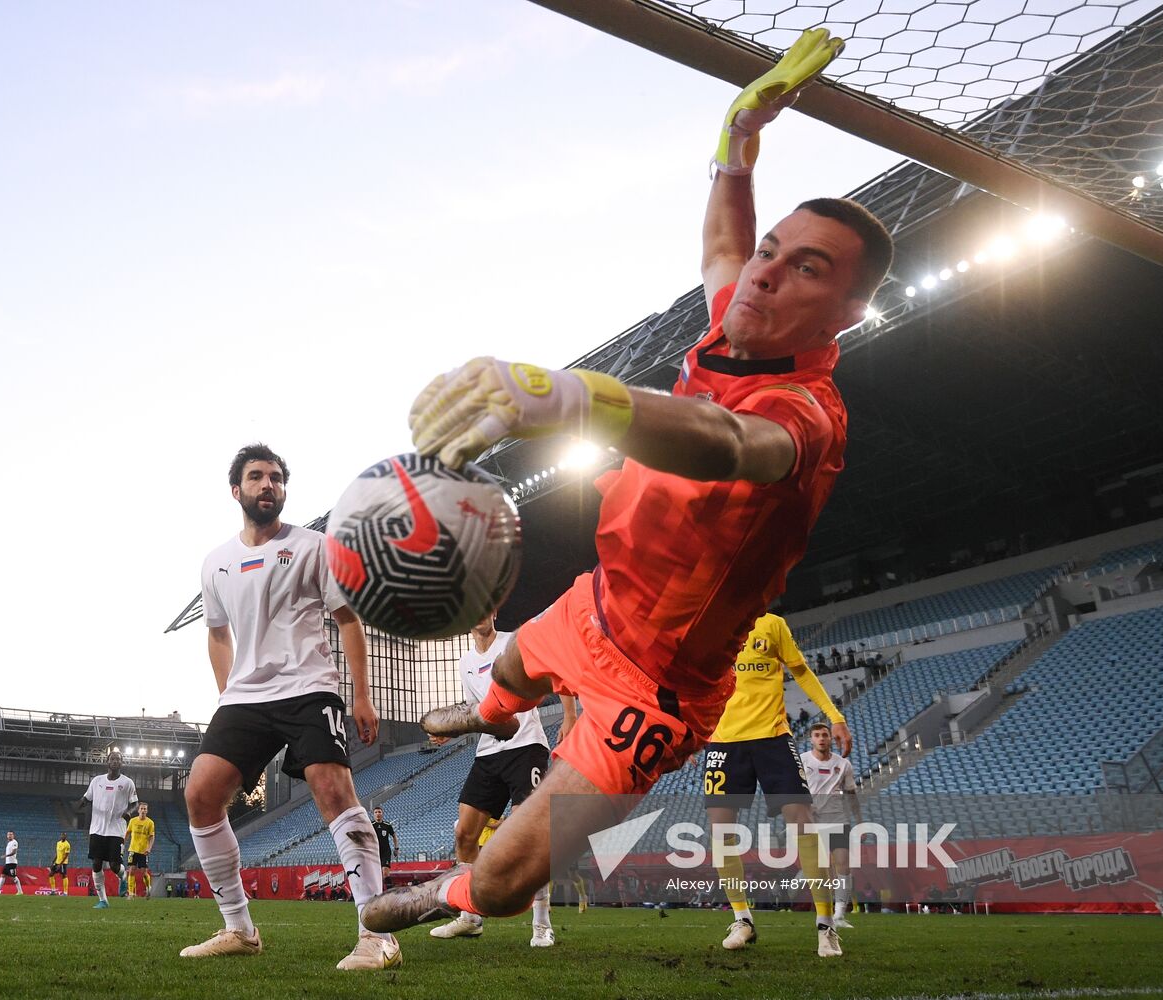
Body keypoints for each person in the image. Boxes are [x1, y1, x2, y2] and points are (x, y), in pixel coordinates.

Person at [360, 29, 890, 944]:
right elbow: (725, 244)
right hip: (595, 602)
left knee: (502, 884)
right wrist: (736, 138)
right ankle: (483, 710)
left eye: (808, 267)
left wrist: (570, 396)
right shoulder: (735, 320)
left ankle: (443, 893)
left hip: (657, 693)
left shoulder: (807, 415)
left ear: (847, 312)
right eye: (774, 249)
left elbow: (726, 443)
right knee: (517, 669)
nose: (765, 269)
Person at [180, 443, 398, 970]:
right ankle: (239, 928)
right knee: (201, 796)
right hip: (246, 698)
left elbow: (348, 619)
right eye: (256, 477)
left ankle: (377, 934)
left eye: (276, 477)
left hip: (308, 687)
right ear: (237, 491)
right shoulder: (216, 563)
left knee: (332, 789)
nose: (268, 485)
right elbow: (216, 634)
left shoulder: (315, 546)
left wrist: (361, 696)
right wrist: (226, 691)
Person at [704, 613, 852, 956]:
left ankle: (826, 926)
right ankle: (743, 920)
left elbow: (800, 671)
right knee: (719, 829)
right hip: (724, 741)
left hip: (772, 738)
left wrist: (835, 716)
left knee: (802, 820)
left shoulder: (772, 624)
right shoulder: (710, 625)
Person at [426, 612, 571, 947]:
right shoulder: (464, 663)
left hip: (526, 746)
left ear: (493, 612)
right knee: (464, 833)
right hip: (489, 752)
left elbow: (555, 670)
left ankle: (542, 924)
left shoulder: (513, 643)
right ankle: (470, 917)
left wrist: (570, 715)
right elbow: (478, 712)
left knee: (527, 834)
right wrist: (451, 730)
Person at [801, 722, 861, 929]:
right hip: (812, 821)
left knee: (843, 864)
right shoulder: (802, 761)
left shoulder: (843, 764)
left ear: (830, 738)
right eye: (817, 735)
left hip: (837, 819)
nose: (821, 738)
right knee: (822, 868)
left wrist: (860, 821)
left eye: (825, 735)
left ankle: (840, 915)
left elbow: (852, 794)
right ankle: (824, 913)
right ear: (811, 739)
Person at [83, 749, 138, 909]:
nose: (115, 761)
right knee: (96, 863)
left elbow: (134, 803)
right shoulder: (97, 781)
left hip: (117, 830)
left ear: (122, 763)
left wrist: (128, 813)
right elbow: (87, 798)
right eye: (112, 759)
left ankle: (123, 876)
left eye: (118, 759)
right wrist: (76, 805)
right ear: (107, 762)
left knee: (114, 865)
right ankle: (103, 900)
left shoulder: (127, 782)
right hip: (97, 829)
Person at [124, 802, 156, 898]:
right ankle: (130, 893)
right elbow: (127, 833)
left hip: (143, 851)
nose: (143, 810)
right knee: (131, 870)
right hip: (133, 850)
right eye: (141, 808)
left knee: (143, 872)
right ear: (138, 810)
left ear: (147, 811)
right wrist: (122, 843)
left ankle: (148, 887)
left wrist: (149, 848)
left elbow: (152, 837)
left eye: (145, 809)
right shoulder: (133, 821)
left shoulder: (150, 823)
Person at [371, 807, 397, 884]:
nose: (378, 814)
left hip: (385, 852)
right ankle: (378, 893)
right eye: (376, 812)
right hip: (374, 852)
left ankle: (390, 893)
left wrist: (396, 848)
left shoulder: (387, 825)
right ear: (373, 815)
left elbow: (394, 836)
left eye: (379, 812)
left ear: (382, 814)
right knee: (376, 875)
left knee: (385, 873)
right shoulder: (370, 825)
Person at [0, 830, 23, 895]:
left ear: (13, 835)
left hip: (12, 863)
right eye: (8, 835)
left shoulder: (14, 842)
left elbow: (14, 852)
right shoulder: (9, 843)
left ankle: (20, 891)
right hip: (7, 863)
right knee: (2, 875)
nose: (9, 836)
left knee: (14, 877)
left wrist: (6, 855)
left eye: (11, 834)